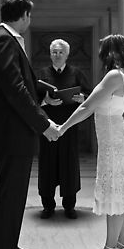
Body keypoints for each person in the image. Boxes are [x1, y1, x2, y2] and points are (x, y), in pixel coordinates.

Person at [0, 0, 60, 249]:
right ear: (24, 15)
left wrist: (44, 96)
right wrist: (44, 124)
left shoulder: (5, 40)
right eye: (30, 15)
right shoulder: (4, 41)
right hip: (13, 136)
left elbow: (21, 87)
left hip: (14, 135)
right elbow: (14, 91)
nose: (31, 20)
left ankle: (9, 248)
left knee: (13, 198)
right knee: (9, 198)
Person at [57, 34, 124, 249]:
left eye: (103, 50)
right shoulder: (123, 74)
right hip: (116, 142)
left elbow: (87, 107)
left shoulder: (113, 75)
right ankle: (119, 245)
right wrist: (88, 99)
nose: (100, 54)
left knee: (114, 197)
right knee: (120, 195)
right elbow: (99, 101)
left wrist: (62, 127)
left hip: (113, 144)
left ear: (110, 51)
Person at [36, 39, 92, 220]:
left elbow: (90, 96)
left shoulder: (76, 73)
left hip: (69, 128)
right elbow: (32, 100)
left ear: (67, 54)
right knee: (47, 166)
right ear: (50, 54)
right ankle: (48, 206)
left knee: (69, 165)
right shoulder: (42, 74)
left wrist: (81, 98)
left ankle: (69, 206)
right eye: (54, 52)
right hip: (48, 128)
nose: (57, 55)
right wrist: (46, 102)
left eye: (61, 52)